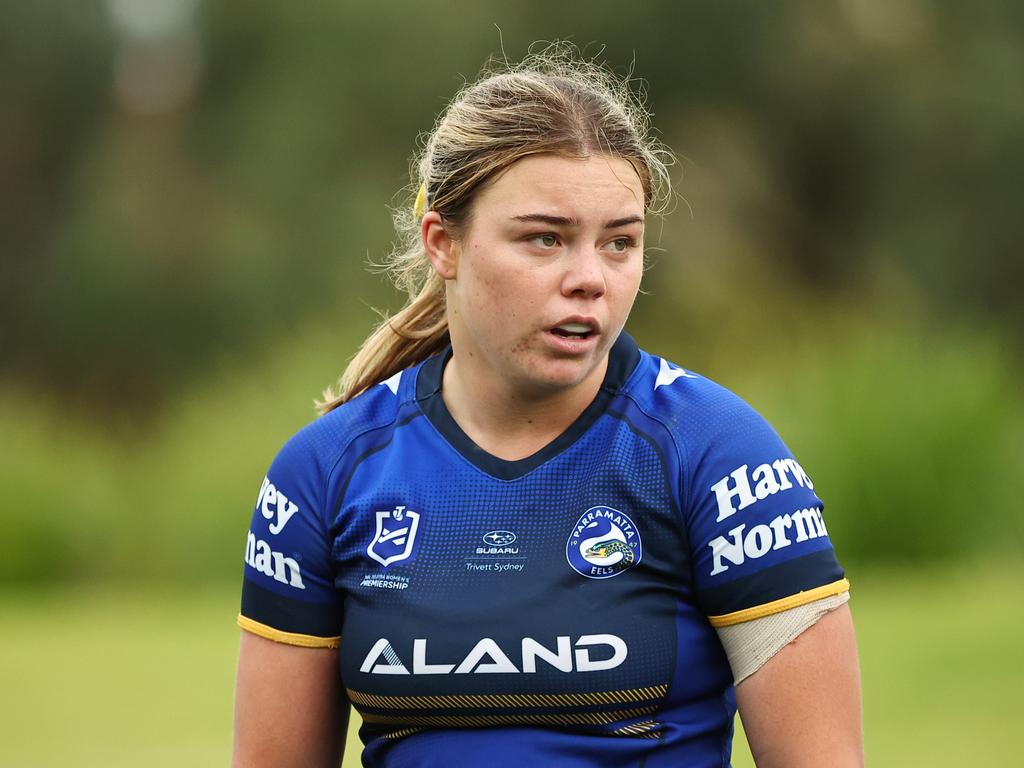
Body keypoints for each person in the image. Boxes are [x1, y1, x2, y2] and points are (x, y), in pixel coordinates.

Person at [232, 47, 862, 768]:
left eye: (619, 242)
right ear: (445, 243)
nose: (590, 278)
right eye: (545, 239)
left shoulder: (718, 454)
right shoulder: (324, 473)